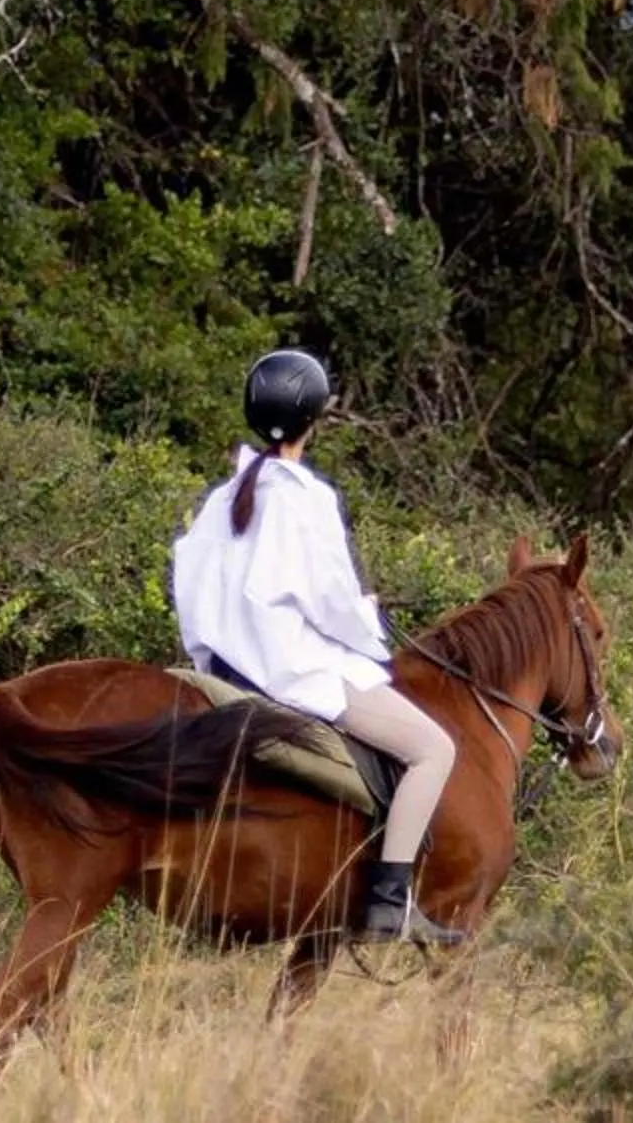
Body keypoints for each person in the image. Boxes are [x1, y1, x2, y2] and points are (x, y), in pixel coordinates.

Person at [169, 349, 463, 944]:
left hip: (224, 676)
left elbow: (191, 598)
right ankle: (391, 901)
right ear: (314, 419)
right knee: (434, 749)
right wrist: (367, 616)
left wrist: (212, 660)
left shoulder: (219, 501)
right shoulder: (306, 497)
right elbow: (329, 602)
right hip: (297, 674)